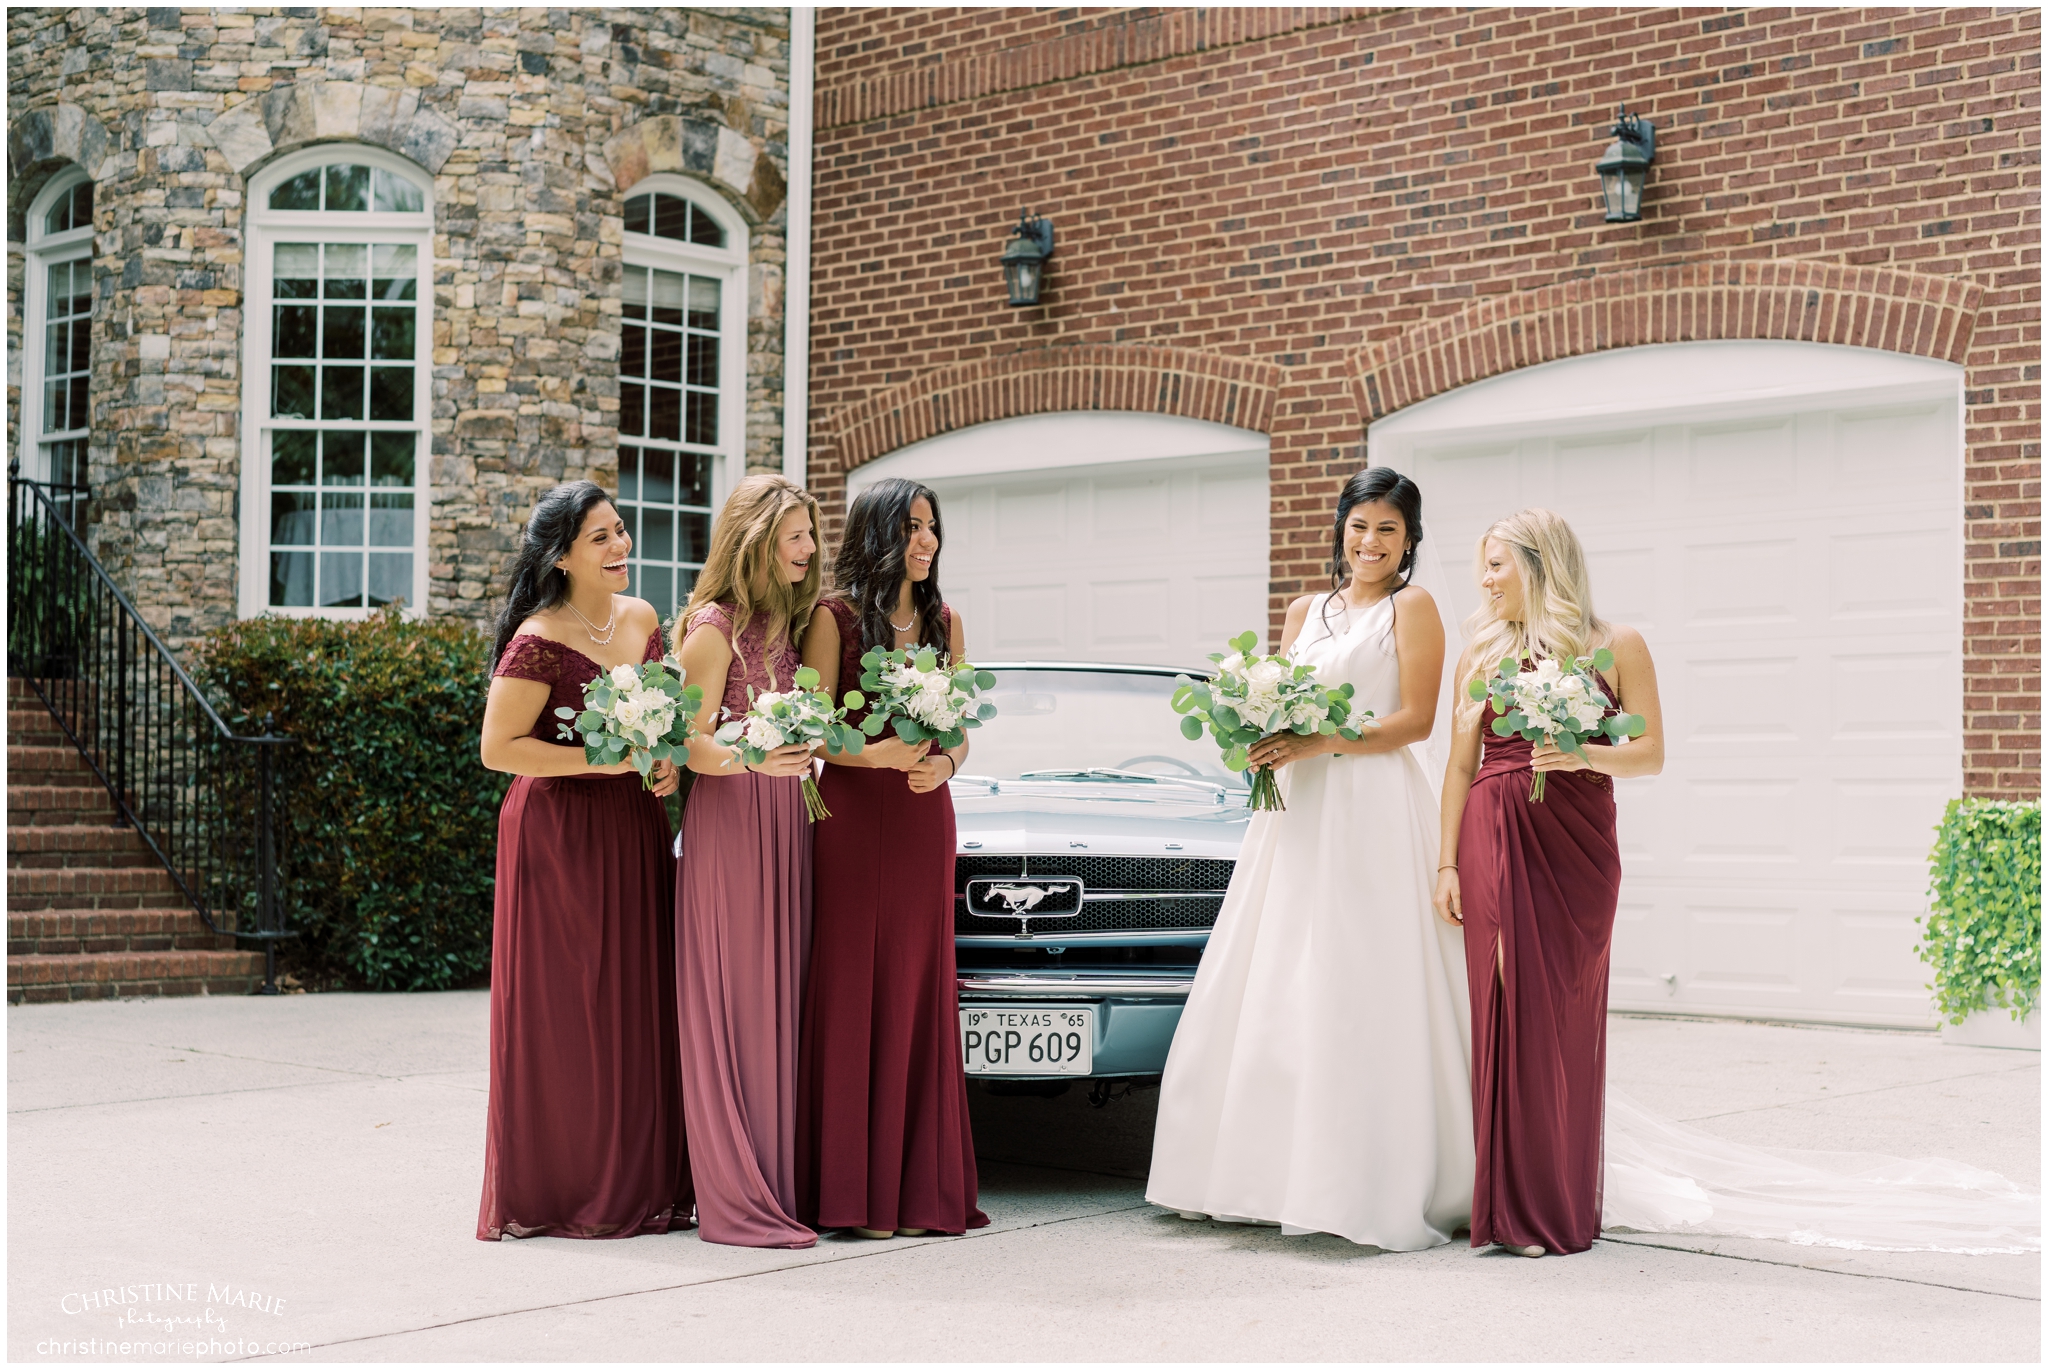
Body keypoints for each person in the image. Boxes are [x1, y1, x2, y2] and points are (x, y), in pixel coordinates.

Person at [1147, 467, 1474, 1249]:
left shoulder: (1413, 608)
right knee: (1278, 970)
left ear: (1410, 542)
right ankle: (1258, 1171)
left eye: (1388, 530)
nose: (1370, 542)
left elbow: (1416, 721)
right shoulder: (1304, 610)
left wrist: (1323, 739)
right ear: (1341, 529)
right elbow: (1279, 693)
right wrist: (1258, 739)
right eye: (1360, 526)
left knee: (1360, 971)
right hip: (1297, 807)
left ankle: (1377, 1173)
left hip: (1372, 806)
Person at [1433, 507, 1665, 1258]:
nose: (1485, 579)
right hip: (1493, 830)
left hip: (1579, 847)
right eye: (1484, 565)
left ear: (1540, 564)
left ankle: (1554, 1203)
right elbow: (1459, 767)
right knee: (1505, 1003)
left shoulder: (1616, 645)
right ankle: (1506, 1208)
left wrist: (1583, 756)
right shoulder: (1478, 655)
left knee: (1561, 1014)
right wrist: (1444, 862)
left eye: (1497, 564)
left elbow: (1651, 753)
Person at [475, 480, 689, 1241]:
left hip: (633, 826)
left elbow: (664, 725)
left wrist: (663, 766)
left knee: (636, 993)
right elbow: (499, 749)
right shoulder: (538, 635)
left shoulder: (642, 618)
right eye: (600, 537)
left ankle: (639, 1178)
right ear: (561, 556)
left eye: (621, 531)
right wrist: (605, 764)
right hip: (557, 835)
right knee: (571, 1005)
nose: (620, 547)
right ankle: (565, 1186)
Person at [797, 478, 988, 1241]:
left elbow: (963, 732)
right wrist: (875, 756)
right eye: (911, 526)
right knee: (851, 987)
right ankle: (854, 1195)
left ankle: (914, 1192)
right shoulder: (832, 618)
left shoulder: (946, 622)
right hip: (851, 816)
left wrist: (945, 766)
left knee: (915, 988)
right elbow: (811, 729)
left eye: (932, 527)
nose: (926, 541)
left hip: (922, 820)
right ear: (878, 532)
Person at [673, 473, 825, 1249]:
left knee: (780, 997)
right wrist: (752, 762)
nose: (808, 548)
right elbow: (687, 740)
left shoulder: (783, 626)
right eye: (796, 534)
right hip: (732, 821)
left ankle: (780, 1184)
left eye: (809, 535)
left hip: (787, 823)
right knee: (736, 1000)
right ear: (757, 538)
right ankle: (737, 1194)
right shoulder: (715, 628)